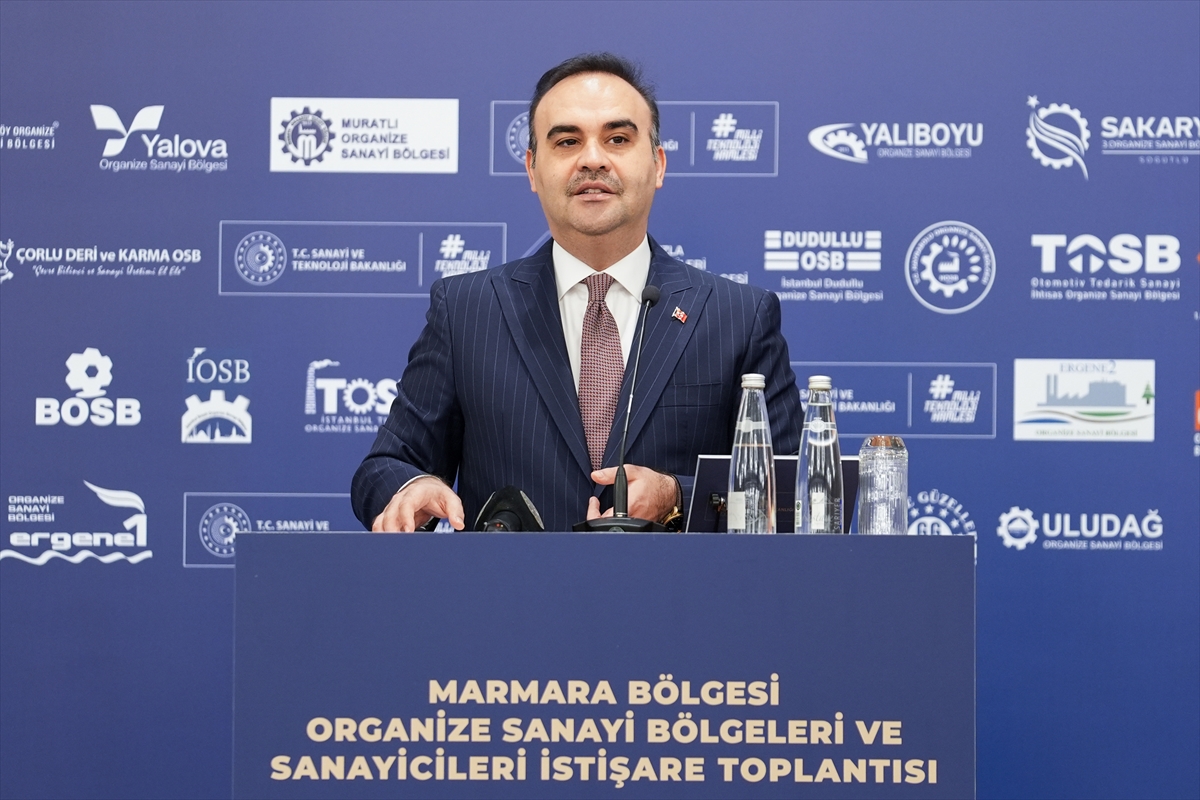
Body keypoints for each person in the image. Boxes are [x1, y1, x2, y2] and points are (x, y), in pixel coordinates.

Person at [352, 53, 800, 532]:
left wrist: (676, 496)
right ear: (532, 169)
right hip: (514, 582)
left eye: (618, 139)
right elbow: (386, 466)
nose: (592, 159)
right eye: (567, 141)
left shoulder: (738, 316)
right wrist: (411, 487)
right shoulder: (466, 311)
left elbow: (792, 494)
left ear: (658, 164)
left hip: (675, 583)